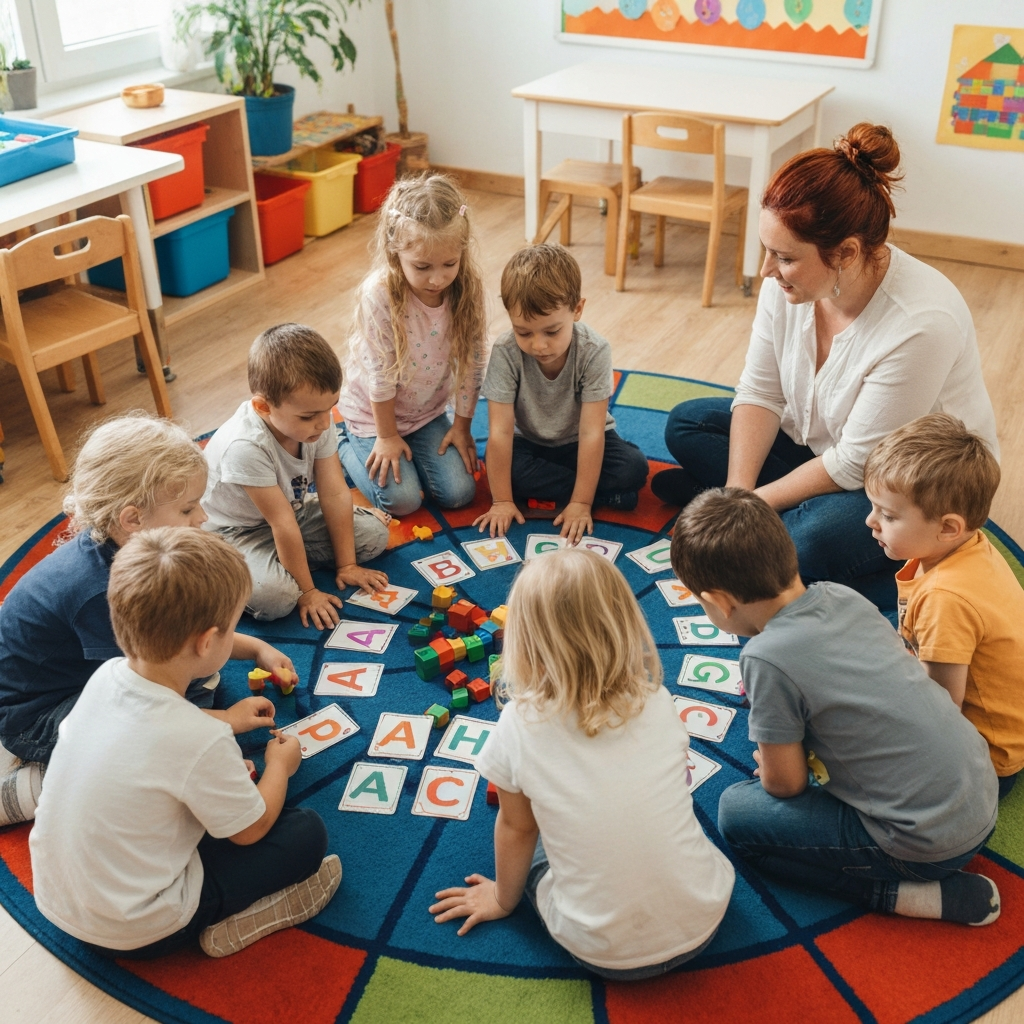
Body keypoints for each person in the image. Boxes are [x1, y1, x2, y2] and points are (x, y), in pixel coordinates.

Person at [651, 123, 998, 610]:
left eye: (784, 258)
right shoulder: (787, 283)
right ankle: (768, 515)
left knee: (808, 546)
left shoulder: (922, 323)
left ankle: (780, 524)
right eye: (767, 250)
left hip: (906, 490)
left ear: (848, 252)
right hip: (822, 446)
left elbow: (857, 462)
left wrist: (748, 507)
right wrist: (736, 494)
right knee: (688, 423)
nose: (766, 271)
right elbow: (760, 391)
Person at [671, 488, 1000, 926]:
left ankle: (892, 892)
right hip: (981, 795)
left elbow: (785, 786)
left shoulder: (764, 657)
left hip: (923, 847)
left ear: (718, 601)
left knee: (736, 814)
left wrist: (778, 765)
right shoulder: (840, 595)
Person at [30, 528, 341, 959]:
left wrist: (228, 721)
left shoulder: (106, 677)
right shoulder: (200, 740)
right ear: (207, 641)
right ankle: (239, 918)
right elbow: (252, 831)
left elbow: (152, 731)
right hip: (140, 930)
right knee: (305, 833)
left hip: (55, 898)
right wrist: (279, 767)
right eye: (232, 630)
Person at [428, 548, 734, 978]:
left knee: (528, 835)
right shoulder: (657, 699)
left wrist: (501, 899)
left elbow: (518, 828)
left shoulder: (520, 722)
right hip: (708, 913)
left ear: (525, 644)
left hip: (605, 954)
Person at [0, 415, 293, 827]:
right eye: (188, 508)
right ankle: (30, 787)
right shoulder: (100, 595)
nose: (203, 517)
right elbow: (138, 711)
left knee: (197, 681)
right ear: (132, 519)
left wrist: (257, 648)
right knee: (165, 735)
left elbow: (185, 636)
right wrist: (227, 722)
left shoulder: (134, 560)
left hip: (75, 675)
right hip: (34, 718)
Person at [864, 413, 1024, 800]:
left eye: (888, 514)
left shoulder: (945, 599)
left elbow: (938, 712)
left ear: (949, 527)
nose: (871, 521)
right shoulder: (967, 545)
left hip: (983, 758)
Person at [203, 323, 390, 627]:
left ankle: (286, 562)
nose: (323, 423)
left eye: (329, 409)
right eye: (308, 416)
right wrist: (308, 592)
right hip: (233, 534)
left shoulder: (318, 422)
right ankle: (225, 571)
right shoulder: (245, 446)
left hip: (291, 511)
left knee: (374, 536)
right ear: (264, 407)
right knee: (277, 599)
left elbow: (333, 492)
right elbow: (282, 523)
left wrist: (347, 565)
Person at [473, 244, 649, 543]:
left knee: (633, 469)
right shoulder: (505, 352)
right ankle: (605, 494)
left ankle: (585, 490)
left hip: (581, 439)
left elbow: (593, 433)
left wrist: (581, 504)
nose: (538, 345)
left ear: (577, 309)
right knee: (501, 469)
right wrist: (502, 501)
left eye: (552, 332)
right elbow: (500, 433)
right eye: (524, 332)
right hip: (528, 442)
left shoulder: (595, 350)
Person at [337, 174, 487, 517]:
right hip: (374, 418)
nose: (437, 279)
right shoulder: (380, 294)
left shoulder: (466, 287)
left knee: (460, 493)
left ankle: (407, 452)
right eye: (422, 267)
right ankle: (340, 445)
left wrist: (461, 426)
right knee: (403, 502)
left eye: (450, 264)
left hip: (426, 414)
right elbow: (381, 374)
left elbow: (473, 361)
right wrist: (387, 437)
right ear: (395, 250)